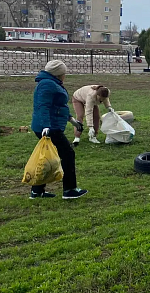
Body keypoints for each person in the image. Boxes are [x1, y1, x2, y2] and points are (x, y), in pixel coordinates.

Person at [30, 60, 87, 199]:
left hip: (50, 125)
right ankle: (69, 190)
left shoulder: (50, 83)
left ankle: (37, 191)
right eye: (63, 73)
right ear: (58, 74)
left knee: (46, 158)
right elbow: (43, 106)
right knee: (67, 154)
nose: (65, 76)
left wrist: (72, 120)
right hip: (50, 127)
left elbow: (58, 106)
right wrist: (46, 126)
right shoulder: (47, 85)